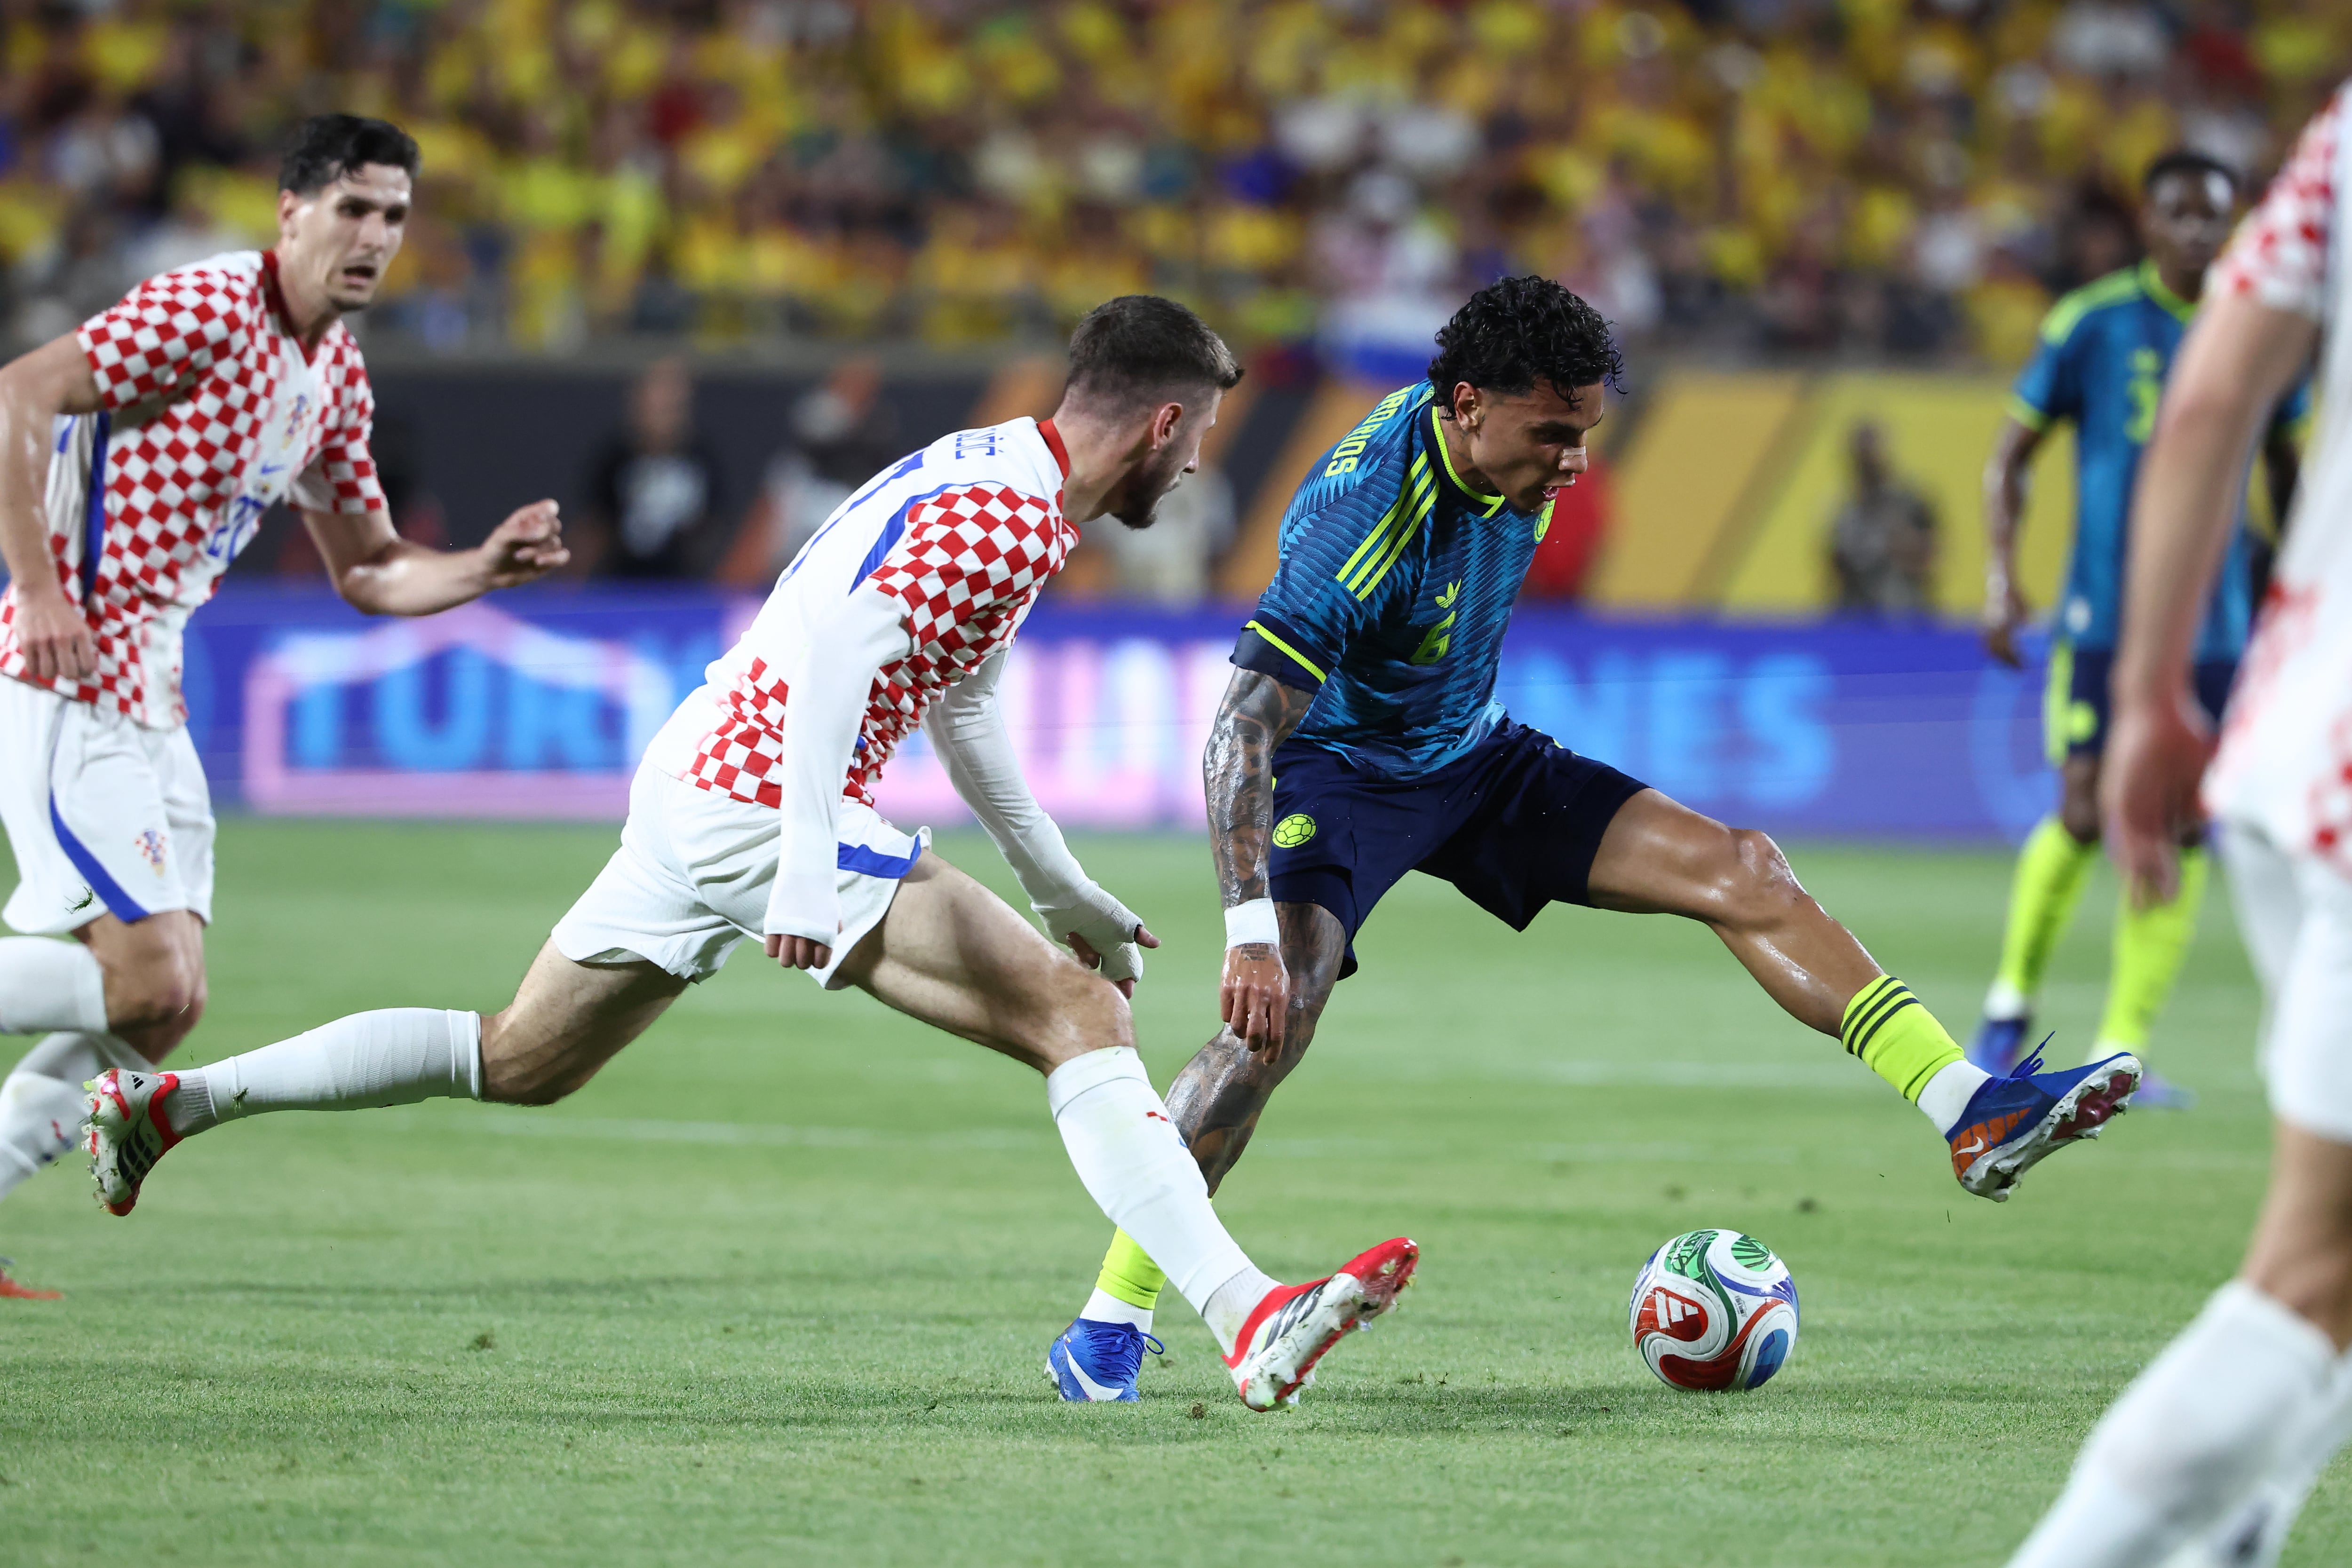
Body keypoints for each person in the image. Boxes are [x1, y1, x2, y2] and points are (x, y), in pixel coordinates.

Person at [80, 296, 1419, 1412]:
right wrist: (797, 857)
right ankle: (1239, 1316)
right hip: (761, 799)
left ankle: (173, 1104)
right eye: (1200, 445)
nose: (1195, 474)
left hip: (699, 777)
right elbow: (842, 647)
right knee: (1082, 1013)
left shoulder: (998, 477)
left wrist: (1056, 877)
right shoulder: (1009, 516)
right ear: (1165, 421)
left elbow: (957, 700)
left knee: (518, 1057)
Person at [1043, 276, 2141, 1403]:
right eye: (1554, 435)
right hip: (1342, 773)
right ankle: (1106, 1329)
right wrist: (1249, 933)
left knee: (1745, 867)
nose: (1574, 462)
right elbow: (1239, 729)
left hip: (1472, 755)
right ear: (1467, 405)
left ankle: (1968, 1109)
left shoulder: (1516, 453)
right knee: (1283, 1011)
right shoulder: (1365, 510)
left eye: (1587, 433)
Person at [0, 114, 570, 1300]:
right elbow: (21, 394)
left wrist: (479, 567)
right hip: (66, 667)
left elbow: (367, 568)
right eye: (354, 209)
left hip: (151, 686)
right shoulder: (209, 309)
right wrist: (42, 589)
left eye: (395, 216)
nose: (374, 237)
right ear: (291, 212)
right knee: (145, 984)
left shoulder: (334, 373)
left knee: (169, 1008)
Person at [2006, 85, 2352, 1568]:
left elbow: (2218, 401)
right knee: (2310, 1263)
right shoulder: (2088, 321)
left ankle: (2240, 1527)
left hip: (2294, 733)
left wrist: (2156, 691)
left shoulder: (2339, 143)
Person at [1972, 150, 2305, 1104]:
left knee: (2187, 825)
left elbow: (2290, 472)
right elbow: (2010, 456)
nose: (2197, 231)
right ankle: (2007, 1010)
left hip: (2216, 625)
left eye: (2214, 215)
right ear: (2148, 223)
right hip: (2102, 610)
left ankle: (2121, 1052)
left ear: (2233, 222)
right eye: (2179, 213)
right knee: (2081, 810)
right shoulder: (2090, 323)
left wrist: (2293, 579)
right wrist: (2001, 581)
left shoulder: (2266, 331)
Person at [580, 355, 728, 580]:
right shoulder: (615, 458)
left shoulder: (701, 461)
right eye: (657, 404)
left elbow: (714, 530)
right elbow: (595, 528)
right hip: (620, 585)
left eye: (673, 406)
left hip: (682, 588)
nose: (664, 414)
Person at [1828, 420, 1937, 616]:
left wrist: (1902, 544)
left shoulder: (1909, 502)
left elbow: (1931, 555)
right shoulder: (1841, 510)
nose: (1867, 463)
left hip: (1902, 608)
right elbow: (1832, 569)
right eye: (1861, 456)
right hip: (1854, 609)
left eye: (1872, 454)